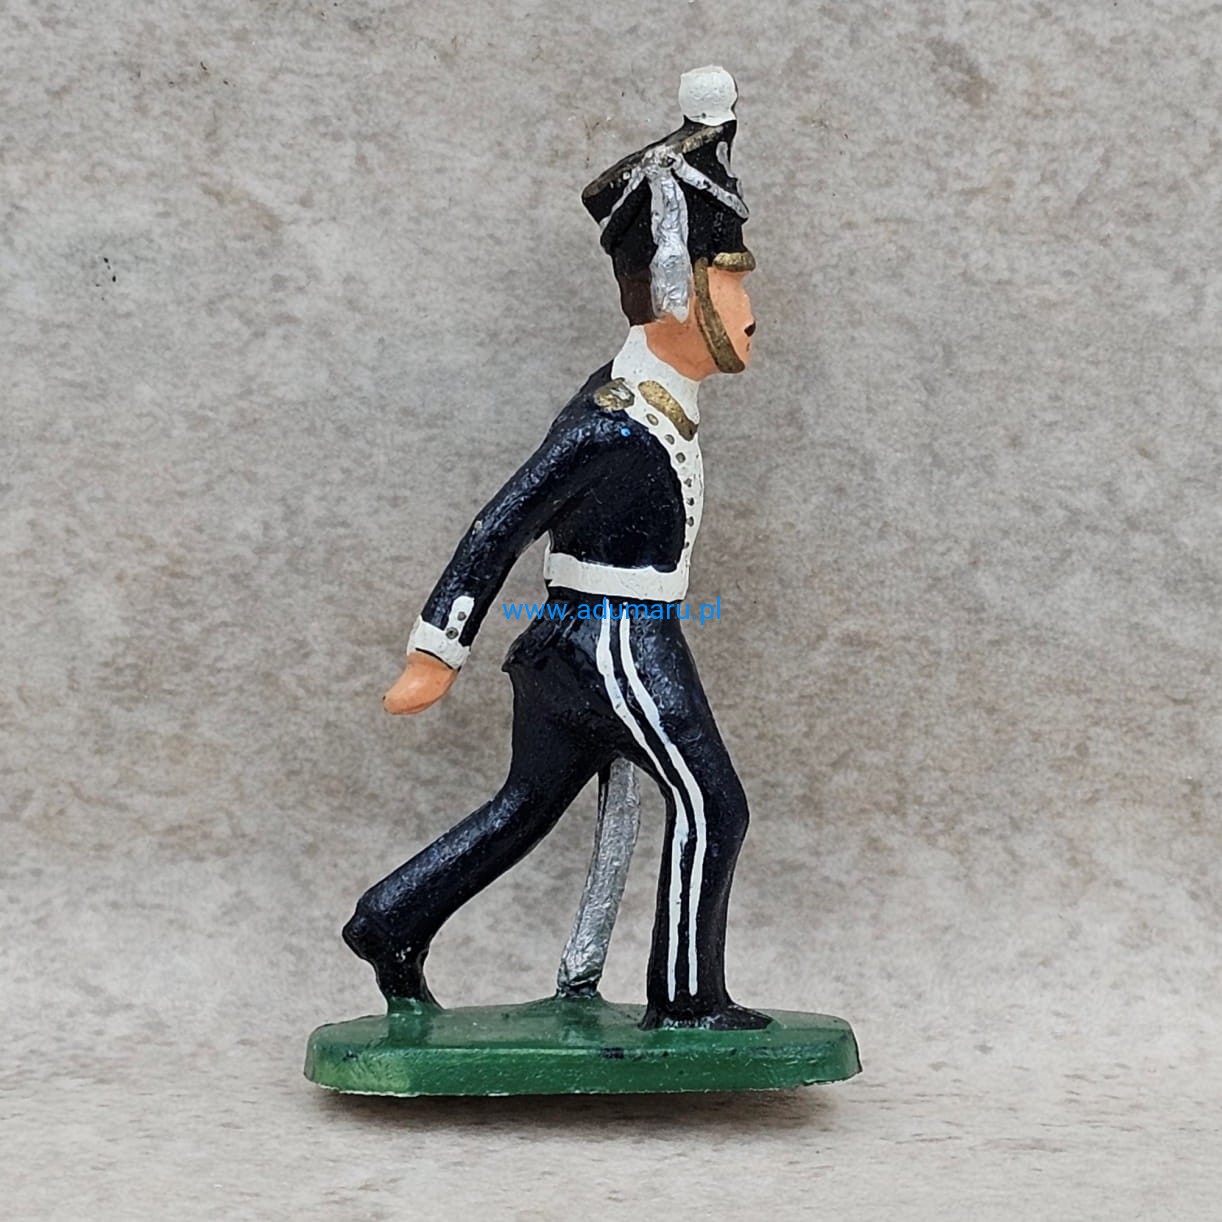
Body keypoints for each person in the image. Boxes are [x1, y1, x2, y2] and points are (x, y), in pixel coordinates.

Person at [343, 66, 770, 1029]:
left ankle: (391, 919)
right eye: (732, 283)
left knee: (526, 808)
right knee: (714, 805)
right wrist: (436, 651)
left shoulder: (650, 400)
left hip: (572, 645)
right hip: (616, 640)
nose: (750, 310)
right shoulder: (610, 421)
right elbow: (501, 520)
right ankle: (686, 1000)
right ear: (676, 295)